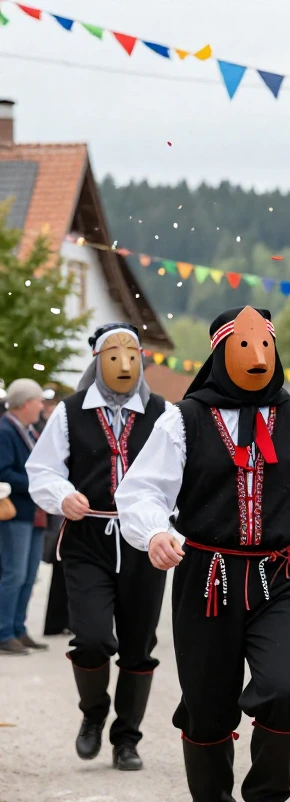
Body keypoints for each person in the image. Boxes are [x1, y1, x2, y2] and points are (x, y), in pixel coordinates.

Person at [116, 306, 290, 802]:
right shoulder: (184, 420)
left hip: (280, 575)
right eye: (245, 348)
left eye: (265, 348)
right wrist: (155, 532)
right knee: (208, 702)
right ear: (221, 355)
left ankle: (269, 801)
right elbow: (140, 491)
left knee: (282, 689)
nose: (257, 358)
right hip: (207, 575)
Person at [28, 323, 168, 770]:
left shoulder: (163, 413)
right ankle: (93, 714)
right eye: (113, 351)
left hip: (144, 541)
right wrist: (62, 495)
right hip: (89, 536)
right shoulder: (70, 412)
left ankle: (127, 738)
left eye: (132, 351)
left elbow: (181, 475)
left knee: (138, 644)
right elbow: (42, 470)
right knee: (90, 639)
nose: (124, 360)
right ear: (97, 359)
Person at [0, 379, 47, 656]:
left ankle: (18, 628)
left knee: (29, 575)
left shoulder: (28, 430)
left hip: (32, 514)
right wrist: (37, 482)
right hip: (15, 515)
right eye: (39, 401)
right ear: (26, 403)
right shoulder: (6, 431)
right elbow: (3, 473)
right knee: (13, 574)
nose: (41, 407)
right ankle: (4, 631)